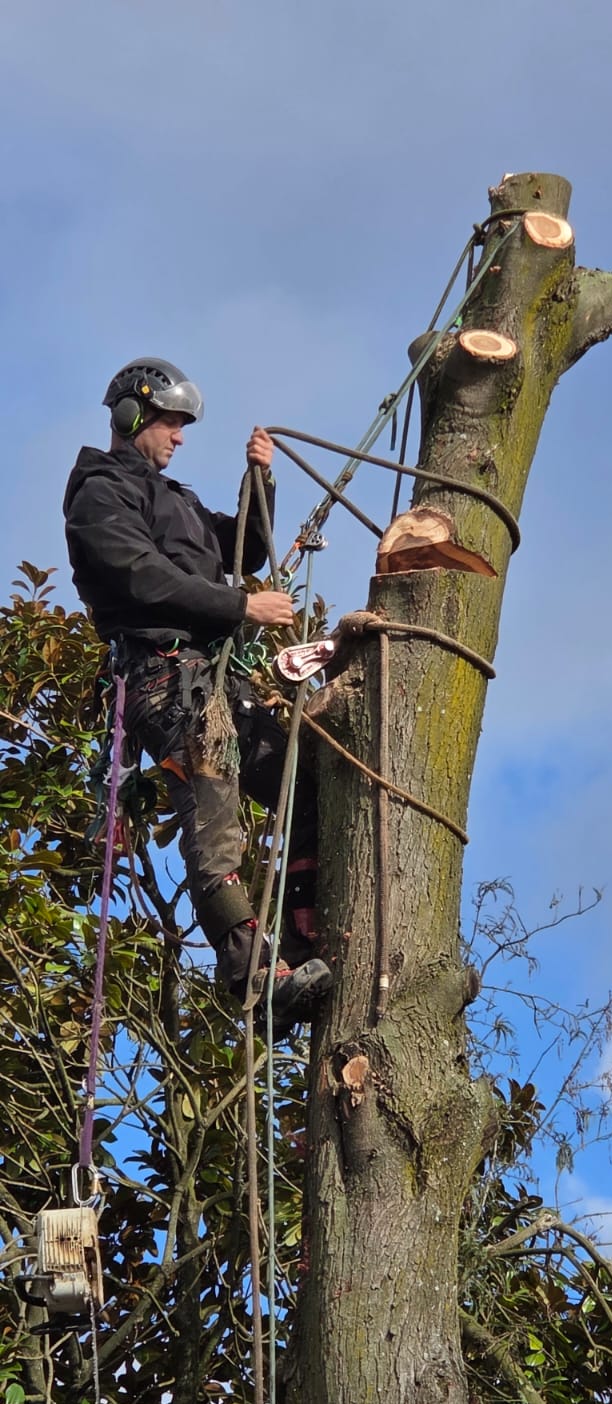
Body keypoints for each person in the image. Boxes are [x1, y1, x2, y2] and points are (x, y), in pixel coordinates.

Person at [64, 356, 331, 1030]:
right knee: (214, 815)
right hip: (164, 676)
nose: (179, 437)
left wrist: (259, 480)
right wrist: (241, 608)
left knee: (307, 788)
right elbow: (141, 577)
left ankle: (301, 946)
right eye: (169, 423)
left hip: (215, 679)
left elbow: (241, 552)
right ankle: (251, 972)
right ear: (131, 416)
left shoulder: (173, 499)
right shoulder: (99, 495)